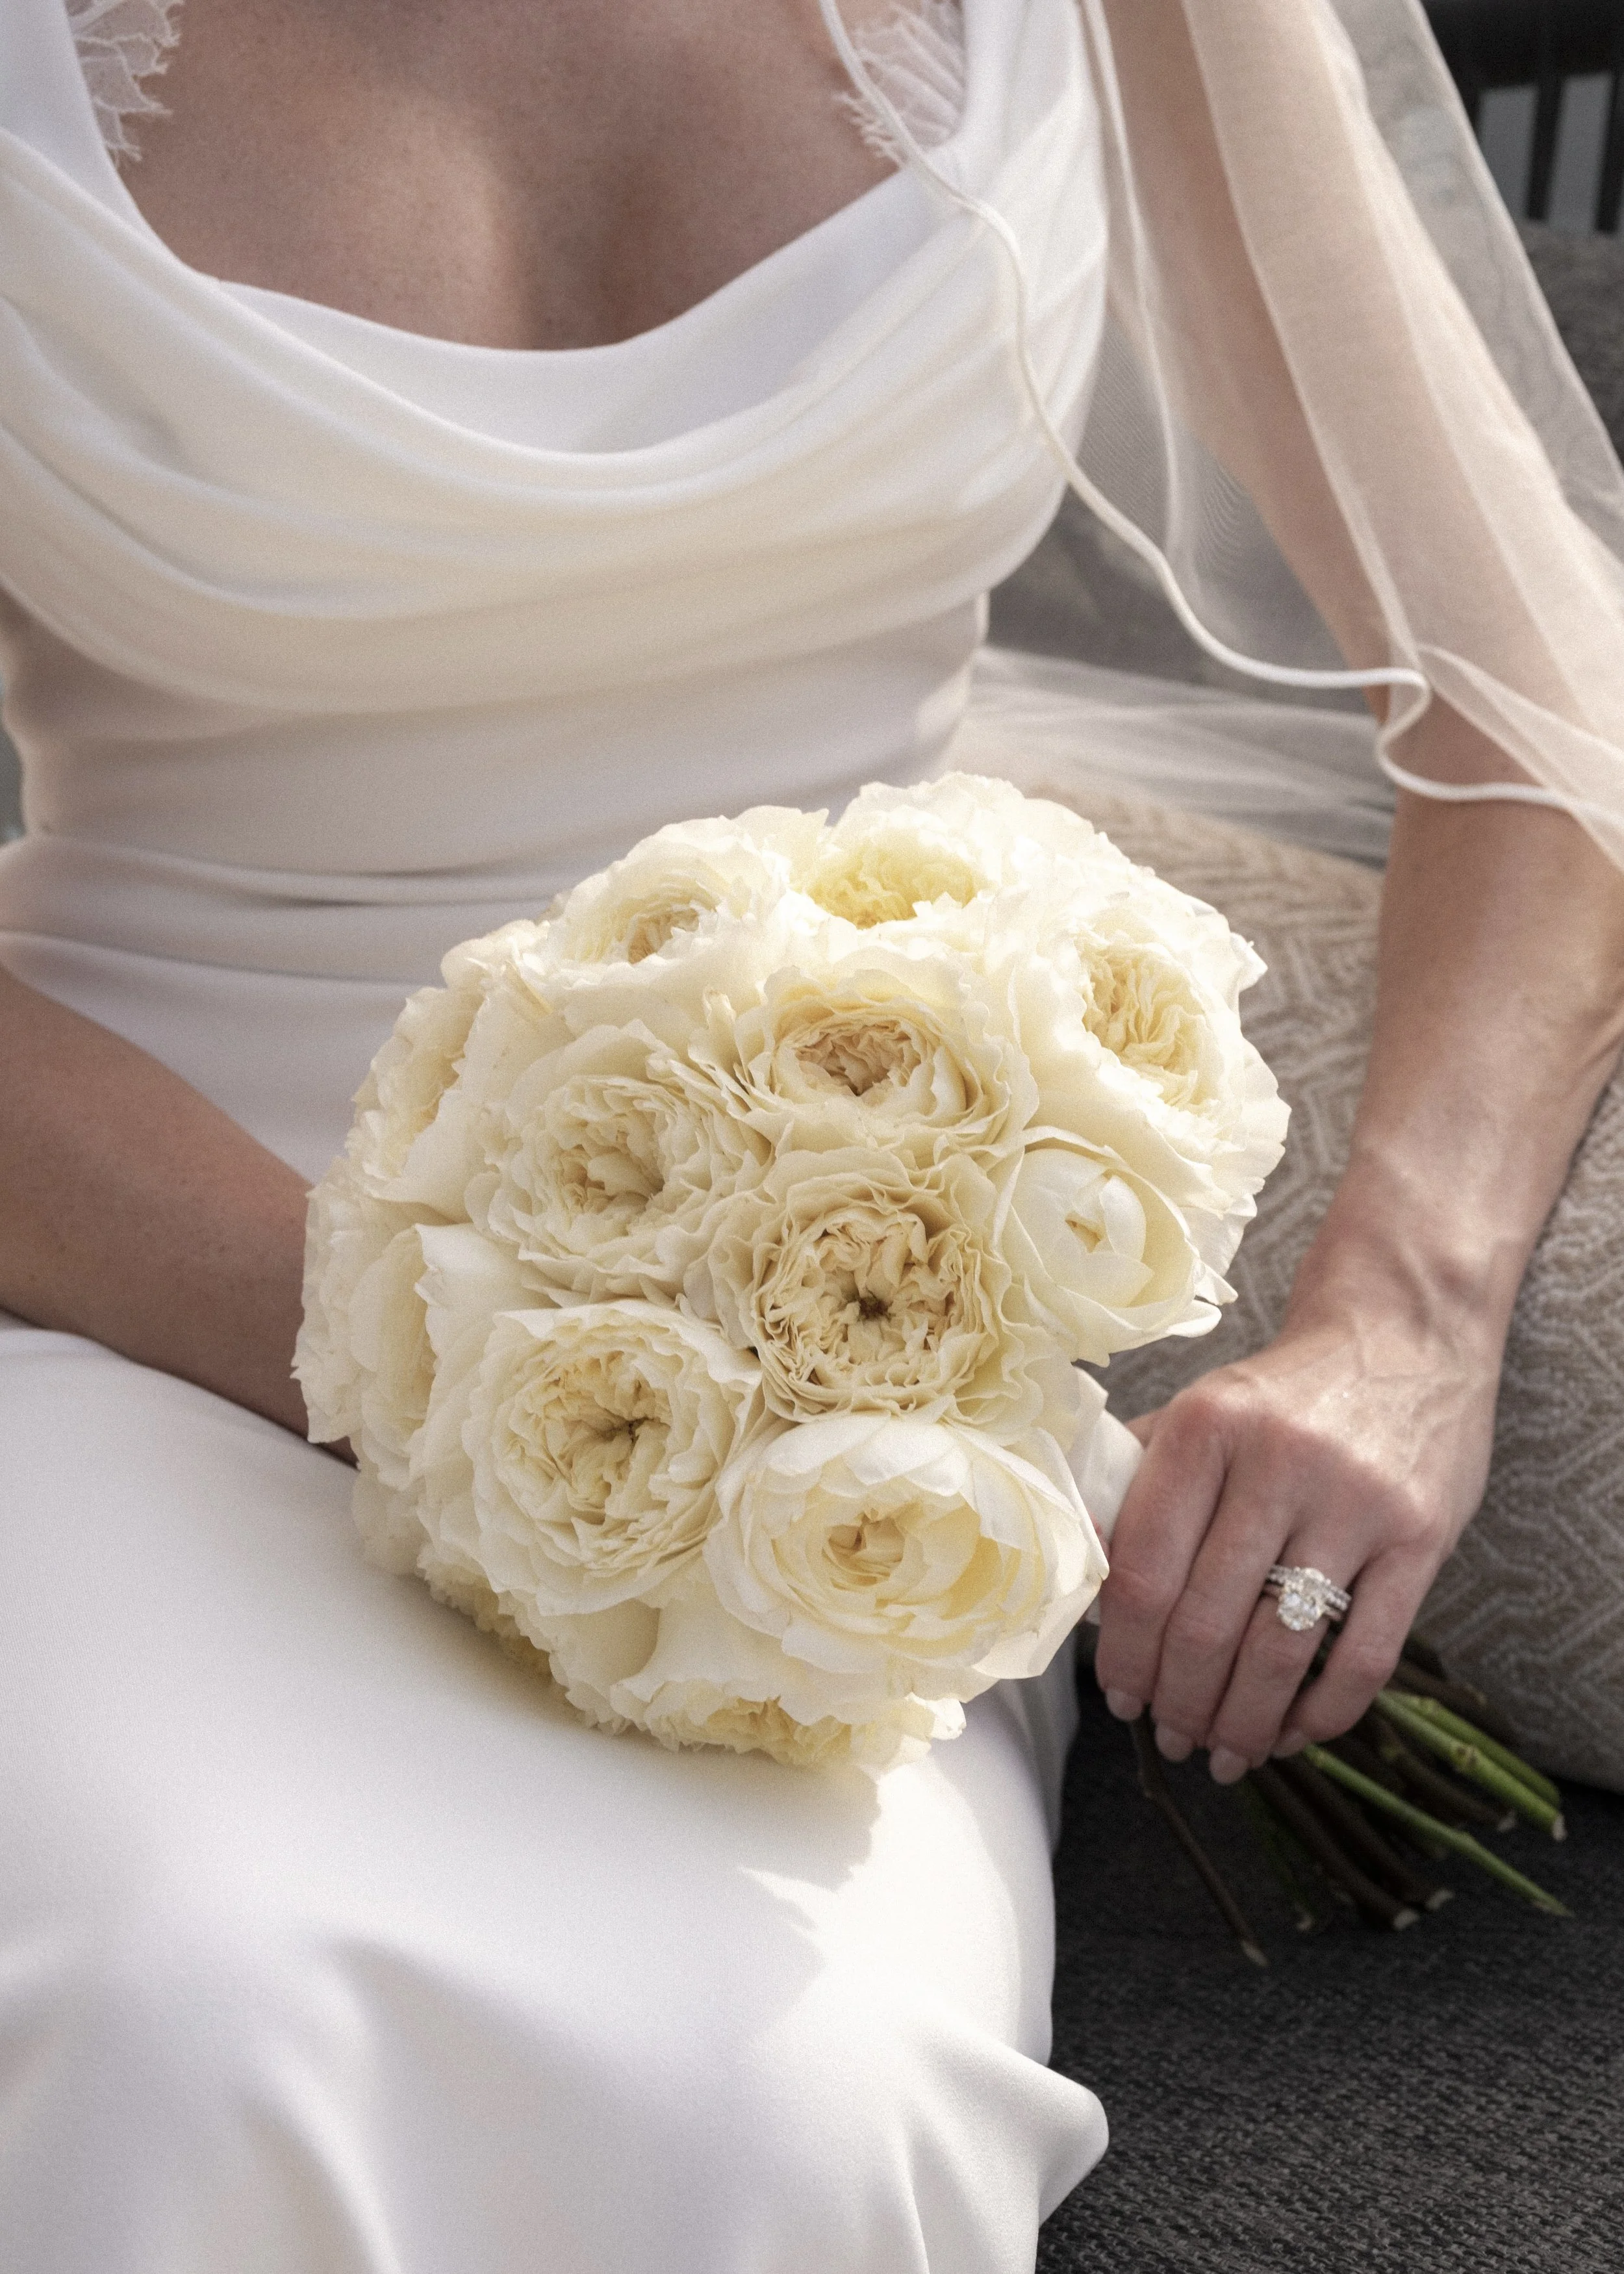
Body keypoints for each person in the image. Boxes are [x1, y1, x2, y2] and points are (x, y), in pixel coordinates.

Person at [2, 2, 1621, 2267]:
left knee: (790, 2105)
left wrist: (1403, 1321)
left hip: (852, 1330)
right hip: (113, 1263)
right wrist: (452, 1367)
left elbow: (1536, 705)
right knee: (199, 2001)